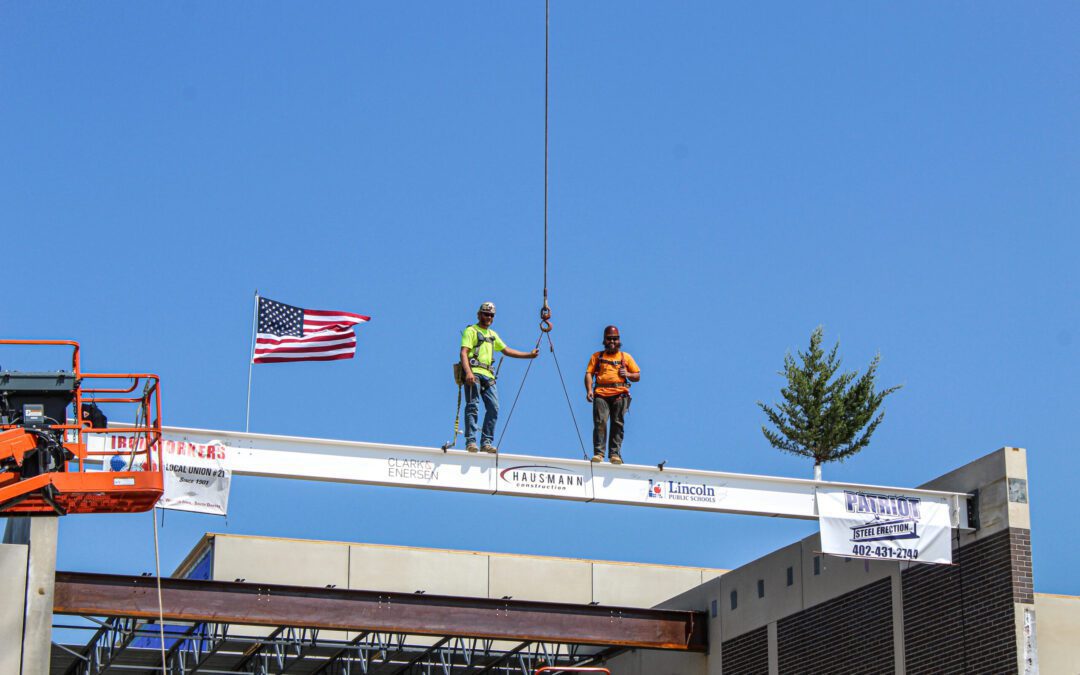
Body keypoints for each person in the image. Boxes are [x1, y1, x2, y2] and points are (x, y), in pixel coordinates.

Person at [460, 302, 539, 453]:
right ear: (479, 314)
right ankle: (471, 441)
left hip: (488, 376)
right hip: (474, 372)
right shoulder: (471, 331)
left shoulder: (492, 335)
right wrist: (468, 372)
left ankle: (486, 442)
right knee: (473, 406)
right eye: (486, 314)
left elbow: (506, 350)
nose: (488, 317)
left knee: (494, 408)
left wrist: (529, 355)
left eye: (491, 315)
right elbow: (464, 352)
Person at [585, 325, 640, 464]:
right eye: (609, 339)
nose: (612, 342)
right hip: (601, 393)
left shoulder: (625, 357)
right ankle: (599, 453)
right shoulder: (597, 356)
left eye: (615, 339)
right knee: (600, 422)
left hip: (619, 394)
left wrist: (627, 374)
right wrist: (589, 390)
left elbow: (637, 375)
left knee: (617, 424)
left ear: (619, 340)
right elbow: (589, 374)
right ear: (604, 340)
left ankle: (614, 454)